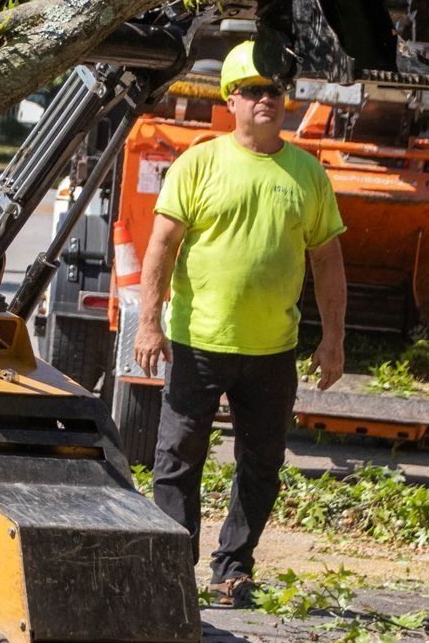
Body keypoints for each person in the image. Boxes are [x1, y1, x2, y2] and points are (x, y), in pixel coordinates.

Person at [132, 42, 348, 606]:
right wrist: (148, 323)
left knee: (263, 463)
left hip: (272, 349)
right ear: (231, 99)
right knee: (178, 458)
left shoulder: (307, 174)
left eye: (275, 89)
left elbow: (327, 260)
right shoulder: (199, 164)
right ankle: (173, 568)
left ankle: (234, 570)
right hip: (199, 342)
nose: (266, 100)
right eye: (253, 90)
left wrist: (333, 339)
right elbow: (160, 247)